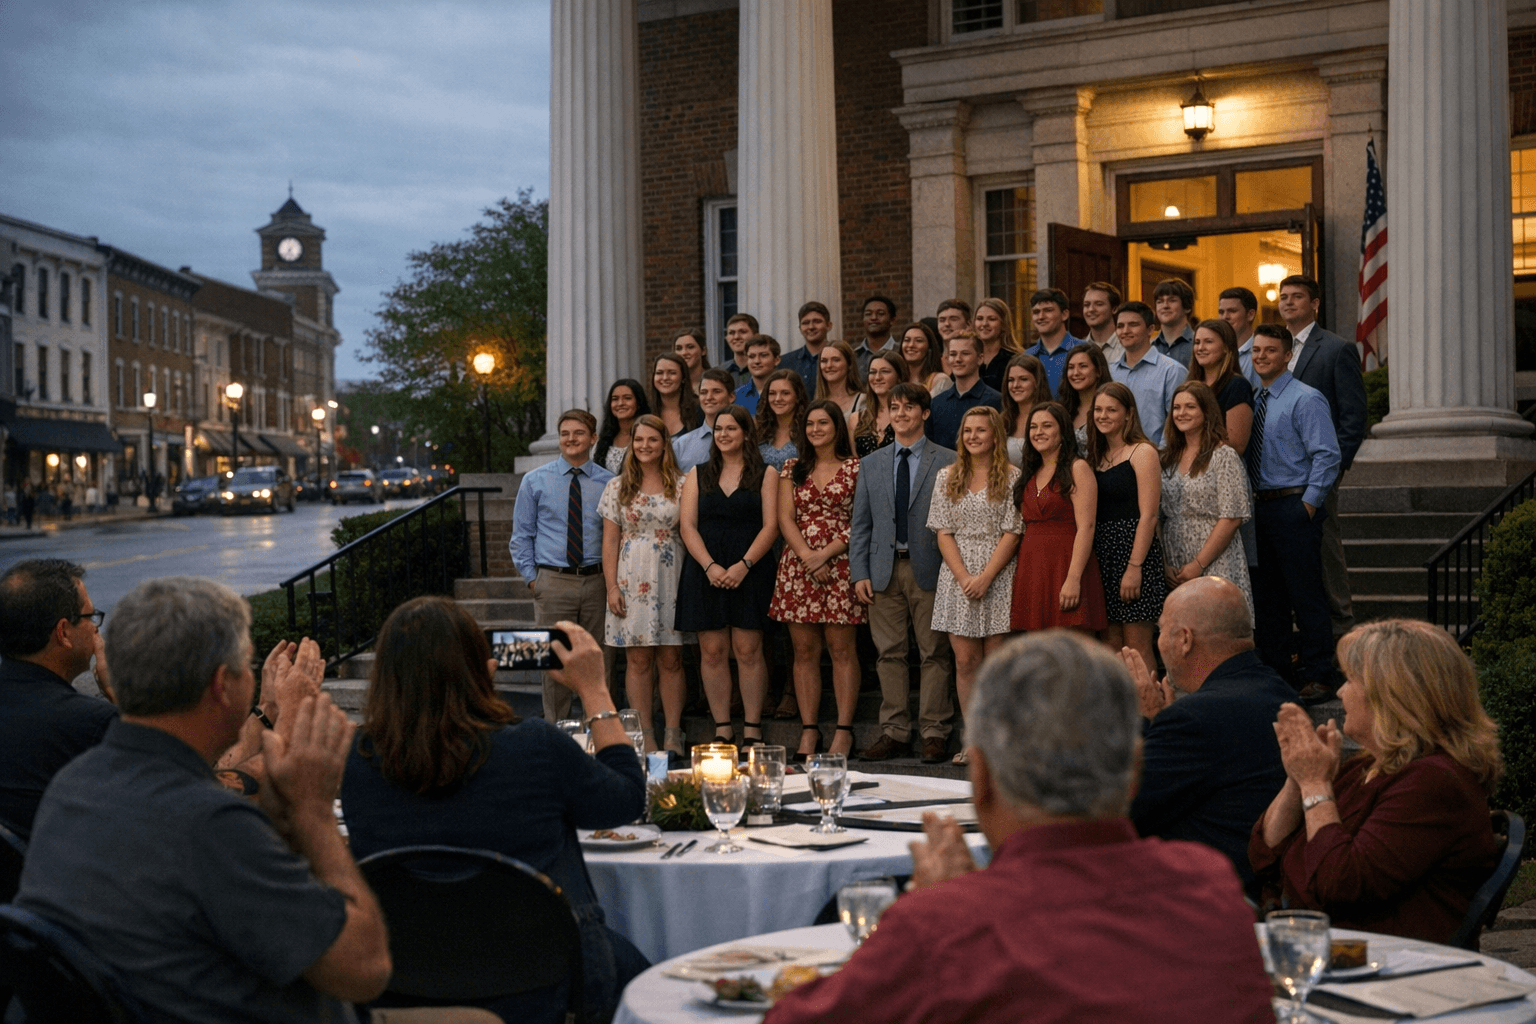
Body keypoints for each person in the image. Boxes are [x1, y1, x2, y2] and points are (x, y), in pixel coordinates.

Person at [763, 631, 1275, 1024]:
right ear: (1133, 771)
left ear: (979, 777)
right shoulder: (1210, 889)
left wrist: (939, 912)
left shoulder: (944, 928)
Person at [14, 576, 442, 1022]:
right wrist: (313, 814)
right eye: (247, 665)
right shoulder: (208, 824)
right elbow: (364, 970)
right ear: (223, 685)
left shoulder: (73, 784)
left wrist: (278, 815)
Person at [343, 601, 646, 1021]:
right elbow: (627, 798)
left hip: (406, 984)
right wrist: (594, 689)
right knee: (650, 980)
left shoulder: (355, 764)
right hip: (543, 985)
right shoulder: (534, 747)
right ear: (484, 671)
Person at [1250, 619, 1504, 943]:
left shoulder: (1434, 782)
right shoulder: (1370, 768)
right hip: (1334, 952)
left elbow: (1340, 883)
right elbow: (1265, 855)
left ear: (1390, 694)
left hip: (1391, 973)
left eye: (1350, 680)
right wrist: (1297, 777)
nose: (1340, 691)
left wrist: (1315, 784)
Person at [1122, 577, 1291, 889]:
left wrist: (1144, 722)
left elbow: (1125, 810)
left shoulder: (1194, 718)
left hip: (1206, 890)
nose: (1158, 643)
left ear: (1185, 640)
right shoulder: (1279, 690)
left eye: (1161, 631)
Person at [849, 383, 957, 764]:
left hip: (930, 566)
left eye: (910, 407)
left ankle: (934, 732)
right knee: (888, 653)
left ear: (925, 414)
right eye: (894, 407)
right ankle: (894, 731)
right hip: (882, 570)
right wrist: (858, 571)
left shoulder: (948, 460)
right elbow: (861, 524)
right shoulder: (872, 463)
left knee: (934, 653)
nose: (901, 413)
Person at [676, 405, 781, 747]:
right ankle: (723, 727)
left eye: (731, 429)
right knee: (712, 651)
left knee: (749, 649)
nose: (723, 435)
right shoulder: (697, 473)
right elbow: (687, 526)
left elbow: (771, 526)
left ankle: (752, 727)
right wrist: (710, 566)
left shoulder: (766, 474)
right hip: (706, 570)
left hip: (750, 569)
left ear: (747, 434)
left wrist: (743, 566)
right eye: (718, 429)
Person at [1246, 324, 1341, 697]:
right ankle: (1279, 673)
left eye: (1270, 351)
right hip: (1260, 509)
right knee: (1269, 599)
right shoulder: (1254, 399)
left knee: (1305, 595)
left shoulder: (1306, 398)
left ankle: (1319, 673)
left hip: (1293, 505)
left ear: (1287, 356)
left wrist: (1308, 505)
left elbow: (1326, 455)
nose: (1261, 357)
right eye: (1256, 351)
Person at [769, 400, 866, 760]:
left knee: (842, 650)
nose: (815, 430)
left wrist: (825, 555)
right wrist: (809, 558)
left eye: (823, 423)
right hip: (798, 566)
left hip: (840, 565)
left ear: (837, 427)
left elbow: (861, 519)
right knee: (804, 652)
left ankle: (843, 730)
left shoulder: (856, 468)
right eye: (810, 424)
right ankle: (809, 730)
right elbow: (784, 518)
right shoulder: (792, 468)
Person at [928, 407, 1023, 765]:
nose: (973, 437)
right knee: (966, 662)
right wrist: (965, 576)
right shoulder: (946, 476)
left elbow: (1014, 530)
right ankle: (973, 739)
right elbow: (942, 530)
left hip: (999, 572)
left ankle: (997, 740)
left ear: (995, 435)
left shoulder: (1014, 477)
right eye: (967, 431)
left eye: (980, 431)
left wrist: (985, 577)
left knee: (996, 662)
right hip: (957, 573)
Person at [510, 408, 615, 722]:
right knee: (553, 660)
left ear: (593, 438)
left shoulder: (610, 483)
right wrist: (534, 580)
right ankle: (557, 730)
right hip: (553, 581)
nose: (571, 439)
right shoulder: (535, 481)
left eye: (579, 433)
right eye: (565, 434)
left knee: (600, 660)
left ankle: (598, 728)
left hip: (597, 581)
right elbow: (521, 535)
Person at [1278, 275, 1367, 641]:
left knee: (1326, 556)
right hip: (1276, 475)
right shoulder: (1268, 348)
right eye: (1283, 297)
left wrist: (1334, 471)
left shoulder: (1335, 348)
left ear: (1315, 304)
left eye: (1297, 297)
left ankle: (1341, 637)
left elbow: (1353, 417)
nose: (1288, 302)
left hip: (1318, 472)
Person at [0, 558, 117, 836]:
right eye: (91, 617)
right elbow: (171, 793)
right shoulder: (93, 724)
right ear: (63, 632)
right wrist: (117, 693)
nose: (95, 628)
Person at [599, 415, 690, 755]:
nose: (645, 446)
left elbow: (690, 530)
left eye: (653, 440)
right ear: (631, 445)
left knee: (671, 660)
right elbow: (609, 541)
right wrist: (612, 587)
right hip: (630, 577)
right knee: (638, 661)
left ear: (664, 443)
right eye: (639, 440)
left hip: (672, 576)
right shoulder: (617, 486)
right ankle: (644, 732)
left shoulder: (682, 484)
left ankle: (672, 732)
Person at [1088, 382, 1167, 678]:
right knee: (1110, 645)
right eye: (1098, 409)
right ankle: (1120, 717)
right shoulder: (1094, 457)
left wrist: (1135, 566)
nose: (1103, 415)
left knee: (1137, 646)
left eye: (1111, 409)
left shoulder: (1142, 452)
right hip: (1102, 554)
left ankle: (1149, 717)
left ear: (1128, 414)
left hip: (1135, 552)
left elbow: (1148, 516)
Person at [1010, 403, 1108, 636]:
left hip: (1066, 565)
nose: (1038, 432)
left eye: (1047, 426)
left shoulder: (1078, 468)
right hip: (1032, 568)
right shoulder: (1028, 472)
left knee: (1074, 652)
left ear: (1063, 431)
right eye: (1033, 427)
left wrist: (1073, 578)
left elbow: (1087, 527)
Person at [1160, 382, 1254, 618]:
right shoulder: (1167, 458)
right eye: (1177, 407)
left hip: (1214, 558)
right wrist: (1164, 563)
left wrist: (1198, 564)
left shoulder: (1223, 455)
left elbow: (1231, 517)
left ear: (1206, 412)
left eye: (1190, 407)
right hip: (1175, 556)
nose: (1182, 413)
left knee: (1216, 629)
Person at [1109, 301, 1185, 445]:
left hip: (1157, 460)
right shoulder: (1110, 372)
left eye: (1133, 325)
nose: (1125, 331)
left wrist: (1160, 460)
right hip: (1114, 460)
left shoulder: (1172, 371)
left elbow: (1177, 423)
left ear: (1150, 329)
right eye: (1120, 326)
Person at [1186, 318, 1254, 455]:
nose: (1200, 348)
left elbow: (1237, 446)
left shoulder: (1237, 386)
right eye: (1197, 342)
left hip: (1222, 471)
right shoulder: (1189, 385)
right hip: (1188, 468)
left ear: (1225, 347)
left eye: (1208, 342)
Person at [927, 332, 1003, 449]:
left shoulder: (996, 401)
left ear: (980, 358)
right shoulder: (936, 403)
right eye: (953, 354)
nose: (958, 359)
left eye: (965, 353)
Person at [672, 368, 738, 472]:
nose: (709, 397)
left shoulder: (744, 439)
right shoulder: (681, 446)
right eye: (703, 392)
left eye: (716, 391)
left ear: (731, 397)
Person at [1022, 289, 1081, 394]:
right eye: (1036, 312)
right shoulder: (1026, 357)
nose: (1041, 317)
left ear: (1064, 314)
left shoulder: (1083, 350)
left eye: (1048, 310)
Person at [1059, 342, 1112, 450]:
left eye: (1083, 366)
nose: (1076, 373)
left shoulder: (1112, 407)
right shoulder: (1062, 409)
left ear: (1098, 371)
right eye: (1071, 367)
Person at [852, 349, 905, 456]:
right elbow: (855, 463)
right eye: (872, 372)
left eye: (885, 371)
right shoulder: (857, 419)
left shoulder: (910, 414)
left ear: (899, 376)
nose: (877, 377)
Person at [594, 377, 652, 475]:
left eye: (627, 398)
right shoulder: (603, 440)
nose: (620, 403)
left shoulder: (650, 436)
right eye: (615, 399)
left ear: (638, 403)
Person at [755, 368, 808, 473]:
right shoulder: (757, 429)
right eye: (772, 393)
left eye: (785, 393)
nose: (778, 399)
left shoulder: (809, 429)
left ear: (797, 396)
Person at [1000, 352, 1047, 468]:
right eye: (1011, 380)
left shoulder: (1051, 416)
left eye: (1023, 379)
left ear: (1037, 382)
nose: (1015, 385)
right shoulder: (1003, 420)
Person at [779, 301, 835, 392]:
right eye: (805, 323)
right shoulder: (785, 363)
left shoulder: (840, 359)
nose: (811, 327)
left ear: (829, 326)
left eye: (817, 321)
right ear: (800, 329)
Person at [973, 296, 1022, 393]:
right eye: (979, 318)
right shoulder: (969, 357)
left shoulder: (1015, 360)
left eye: (992, 319)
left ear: (1004, 324)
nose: (984, 324)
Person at [649, 351, 702, 439]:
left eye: (672, 373)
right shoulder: (646, 412)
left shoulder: (699, 411)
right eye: (659, 373)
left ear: (683, 378)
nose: (665, 378)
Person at [1217, 286, 1260, 386]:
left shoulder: (1262, 353)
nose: (1225, 317)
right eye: (1221, 312)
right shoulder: (1217, 352)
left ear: (1250, 315)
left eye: (1232, 311)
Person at [814, 339, 865, 419]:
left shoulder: (862, 400)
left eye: (836, 360)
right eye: (824, 361)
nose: (829, 365)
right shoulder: (816, 403)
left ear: (849, 364)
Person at [1150, 278, 1196, 367]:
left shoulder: (1199, 345)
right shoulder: (1148, 348)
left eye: (1172, 300)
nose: (1165, 306)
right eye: (1160, 302)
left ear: (1187, 307)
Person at [899, 320, 952, 395]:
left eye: (919, 341)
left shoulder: (940, 380)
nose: (911, 345)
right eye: (907, 340)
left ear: (929, 347)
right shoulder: (895, 379)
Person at [734, 333, 781, 415]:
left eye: (763, 355)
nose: (757, 361)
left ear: (776, 360)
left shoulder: (787, 393)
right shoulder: (736, 396)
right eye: (752, 356)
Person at [852, 295, 898, 377]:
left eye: (880, 313)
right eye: (868, 314)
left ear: (892, 320)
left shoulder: (901, 352)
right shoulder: (853, 356)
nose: (873, 318)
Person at [1081, 280, 1125, 365]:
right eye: (1086, 305)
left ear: (1114, 309)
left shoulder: (1128, 347)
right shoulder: (1077, 348)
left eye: (1099, 304)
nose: (1091, 309)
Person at [721, 312, 759, 386]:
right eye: (731, 333)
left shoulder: (767, 370)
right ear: (726, 338)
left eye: (742, 332)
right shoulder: (719, 372)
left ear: (756, 336)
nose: (736, 337)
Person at [673, 327, 711, 392]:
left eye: (690, 347)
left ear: (703, 351)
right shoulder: (672, 384)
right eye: (679, 348)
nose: (684, 352)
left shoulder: (715, 381)